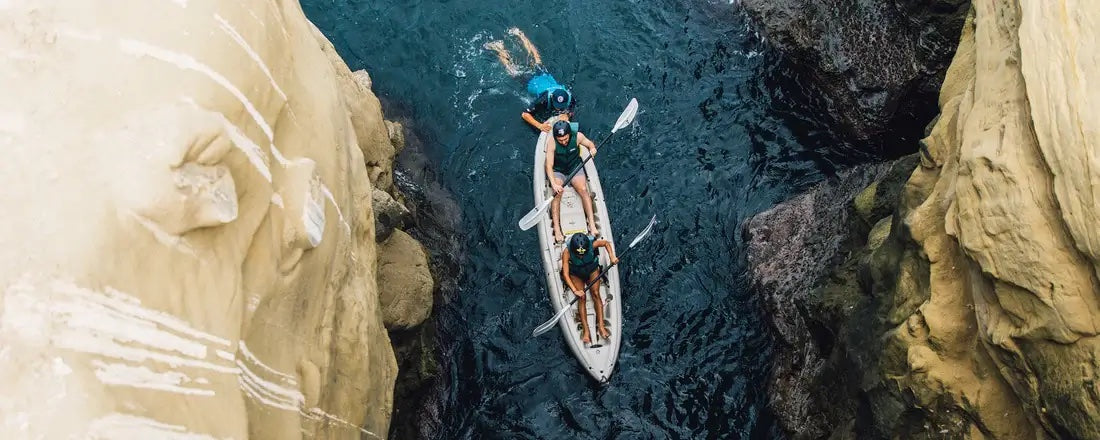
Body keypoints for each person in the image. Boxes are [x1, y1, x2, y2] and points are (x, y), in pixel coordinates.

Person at [484, 27, 577, 131]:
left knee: (537, 59)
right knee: (512, 71)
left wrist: (566, 117)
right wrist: (540, 126)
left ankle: (520, 34)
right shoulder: (544, 99)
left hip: (545, 77)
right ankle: (499, 48)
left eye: (561, 106)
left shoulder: (570, 99)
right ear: (552, 99)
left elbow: (569, 112)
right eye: (558, 106)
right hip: (531, 82)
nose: (559, 109)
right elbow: (525, 114)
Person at [545, 120, 599, 242]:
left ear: (569, 134)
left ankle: (592, 224)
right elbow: (548, 165)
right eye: (560, 140)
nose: (563, 142)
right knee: (557, 194)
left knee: (583, 189)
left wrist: (592, 148)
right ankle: (557, 229)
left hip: (574, 168)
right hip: (558, 170)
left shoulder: (578, 136)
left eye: (565, 139)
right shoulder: (552, 142)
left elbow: (590, 144)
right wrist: (553, 183)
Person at [562, 233, 618, 346]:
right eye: (579, 255)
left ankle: (601, 326)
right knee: (581, 298)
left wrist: (612, 256)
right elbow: (566, 274)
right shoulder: (567, 252)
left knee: (596, 294)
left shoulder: (592, 244)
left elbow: (606, 243)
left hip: (592, 270)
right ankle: (586, 331)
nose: (581, 257)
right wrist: (575, 290)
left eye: (583, 254)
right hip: (576, 274)